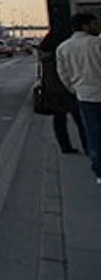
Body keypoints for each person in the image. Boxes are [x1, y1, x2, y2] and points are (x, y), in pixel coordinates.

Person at [56, 12, 101, 183]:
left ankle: (98, 169)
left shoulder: (63, 48)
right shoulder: (97, 43)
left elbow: (63, 74)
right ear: (85, 26)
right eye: (95, 24)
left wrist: (74, 89)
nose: (98, 27)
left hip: (84, 96)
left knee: (93, 132)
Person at [40, 29, 87, 155]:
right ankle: (87, 146)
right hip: (68, 89)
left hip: (54, 91)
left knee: (59, 120)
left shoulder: (46, 57)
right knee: (80, 119)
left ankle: (65, 146)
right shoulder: (63, 52)